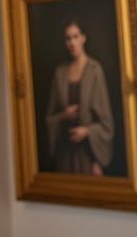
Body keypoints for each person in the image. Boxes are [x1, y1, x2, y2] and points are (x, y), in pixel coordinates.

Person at [45, 18, 114, 174]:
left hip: (88, 155)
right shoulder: (59, 73)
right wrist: (63, 116)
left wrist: (87, 132)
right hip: (64, 155)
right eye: (68, 38)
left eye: (76, 37)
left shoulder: (95, 71)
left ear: (83, 38)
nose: (72, 43)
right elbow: (49, 118)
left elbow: (106, 124)